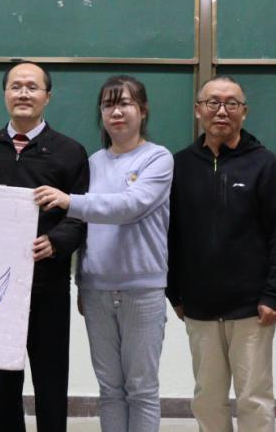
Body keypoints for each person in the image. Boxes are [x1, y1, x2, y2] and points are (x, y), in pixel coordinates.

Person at [33, 75, 173, 432]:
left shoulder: (158, 158)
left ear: (143, 111)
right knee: (110, 389)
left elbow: (129, 206)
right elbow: (85, 230)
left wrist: (70, 201)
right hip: (96, 290)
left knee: (141, 389)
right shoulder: (93, 162)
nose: (117, 112)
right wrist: (82, 281)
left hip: (142, 290)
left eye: (125, 103)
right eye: (109, 105)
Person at [166, 76, 276, 432]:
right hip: (199, 307)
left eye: (231, 104)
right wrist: (174, 292)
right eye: (213, 103)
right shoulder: (180, 165)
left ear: (244, 112)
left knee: (254, 397)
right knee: (207, 397)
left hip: (253, 309)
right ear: (198, 110)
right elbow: (170, 234)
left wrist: (274, 294)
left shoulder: (264, 164)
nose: (221, 111)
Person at [0, 61, 89, 432]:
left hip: (48, 284)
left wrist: (55, 242)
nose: (23, 93)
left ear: (47, 97)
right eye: (16, 86)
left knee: (50, 380)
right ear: (5, 93)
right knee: (3, 383)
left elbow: (81, 216)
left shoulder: (70, 151)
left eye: (32, 87)